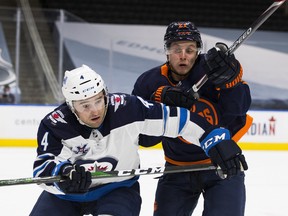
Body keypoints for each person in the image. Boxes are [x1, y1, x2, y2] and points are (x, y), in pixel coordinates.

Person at [30, 64, 247, 216]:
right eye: (85, 105)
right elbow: (43, 167)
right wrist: (63, 174)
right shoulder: (55, 124)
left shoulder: (127, 108)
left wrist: (215, 139)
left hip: (117, 189)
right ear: (71, 105)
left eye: (99, 100)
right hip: (66, 197)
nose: (95, 110)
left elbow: (178, 121)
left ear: (105, 93)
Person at [132, 21, 252, 216]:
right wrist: (160, 102)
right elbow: (144, 139)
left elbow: (237, 112)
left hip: (222, 163)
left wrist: (231, 83)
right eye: (176, 49)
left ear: (198, 51)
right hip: (176, 171)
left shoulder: (214, 69)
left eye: (190, 49)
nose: (183, 56)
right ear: (166, 51)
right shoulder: (149, 82)